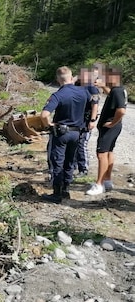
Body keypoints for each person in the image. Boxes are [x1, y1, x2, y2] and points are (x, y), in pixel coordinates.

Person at [41, 66, 91, 203]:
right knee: (70, 161)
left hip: (61, 133)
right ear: (71, 77)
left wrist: (49, 124)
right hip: (76, 132)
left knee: (57, 161)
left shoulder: (58, 95)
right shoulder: (83, 92)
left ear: (58, 79)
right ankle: (66, 190)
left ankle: (57, 193)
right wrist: (90, 121)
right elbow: (93, 105)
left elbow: (44, 115)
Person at [86, 67, 128, 195]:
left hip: (110, 127)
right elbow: (111, 95)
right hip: (114, 127)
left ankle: (99, 184)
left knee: (101, 154)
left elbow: (121, 111)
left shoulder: (117, 91)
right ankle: (107, 180)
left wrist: (112, 123)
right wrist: (104, 87)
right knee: (109, 152)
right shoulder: (118, 90)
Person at [74, 68, 100, 176]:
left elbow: (95, 105)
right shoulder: (76, 86)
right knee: (74, 143)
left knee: (81, 143)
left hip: (86, 120)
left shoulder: (92, 89)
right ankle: (73, 165)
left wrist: (93, 120)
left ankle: (83, 168)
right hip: (76, 120)